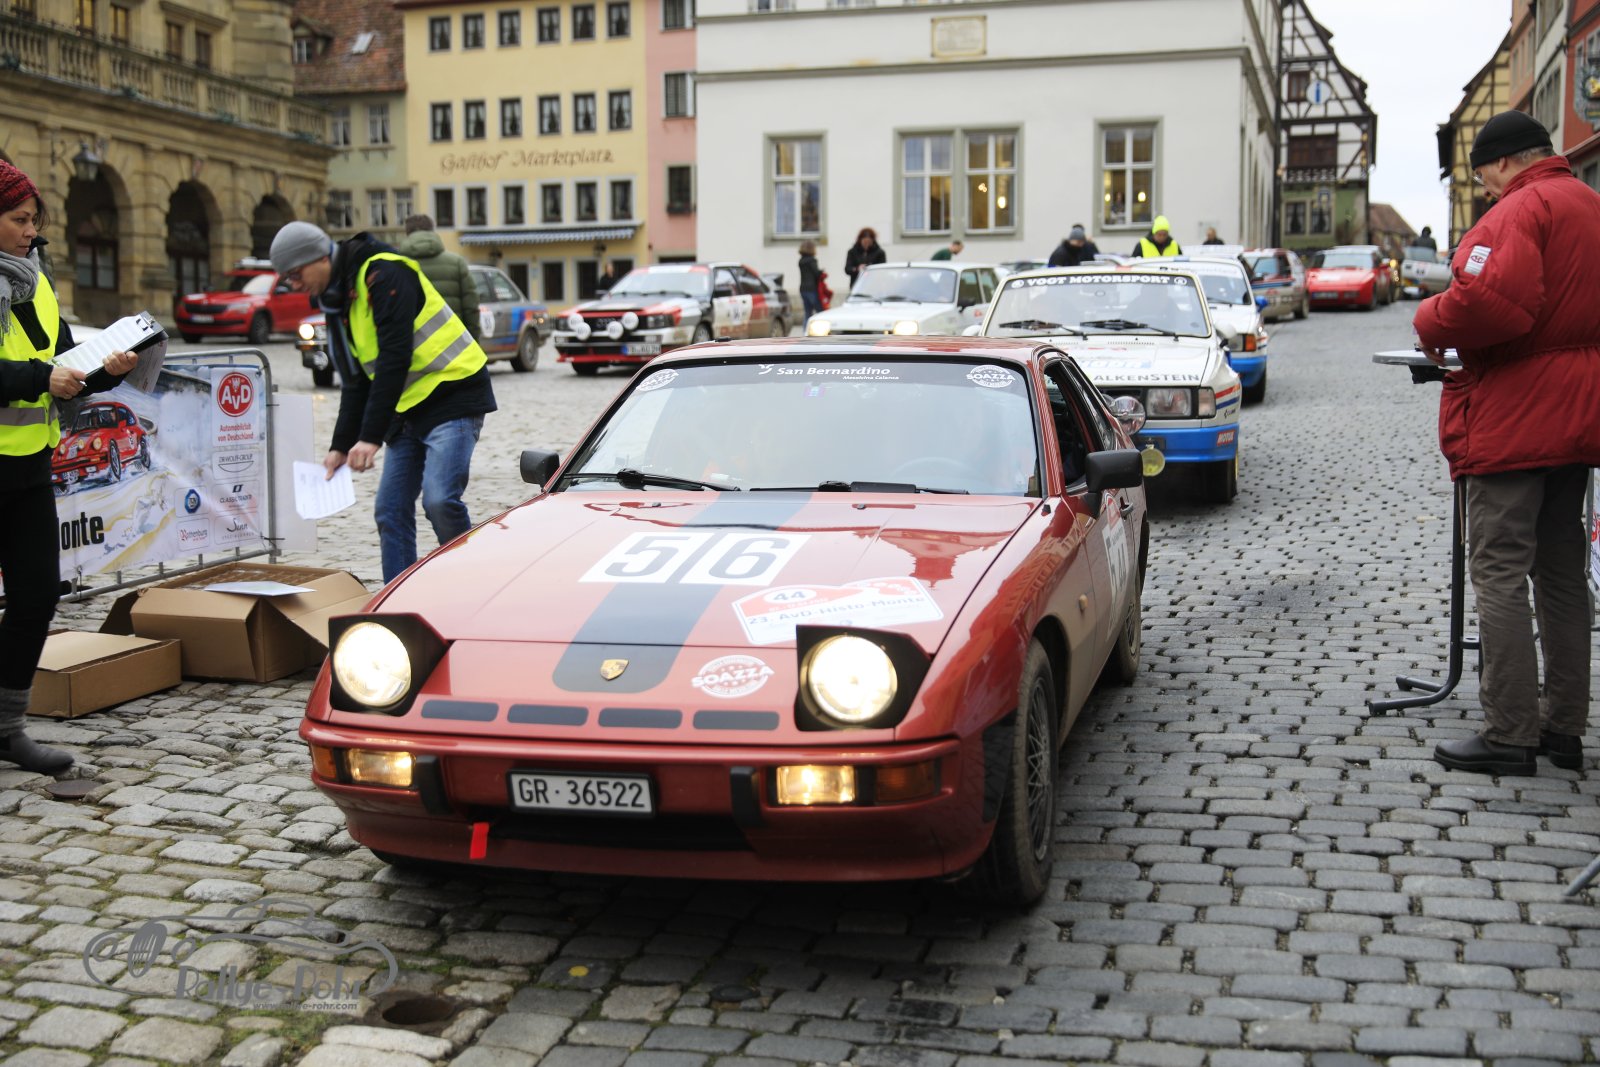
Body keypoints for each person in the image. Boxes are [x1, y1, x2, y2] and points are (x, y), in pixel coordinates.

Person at [1414, 110, 1600, 776]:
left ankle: (1510, 731)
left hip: (1518, 417)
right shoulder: (1590, 204)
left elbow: (1491, 303)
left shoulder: (1520, 210)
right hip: (1579, 416)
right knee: (1563, 571)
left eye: (1482, 177)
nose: (1485, 189)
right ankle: (1563, 727)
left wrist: (1430, 318)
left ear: (1501, 161)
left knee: (1498, 569)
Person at [0, 160, 138, 774]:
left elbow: (59, 363)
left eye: (34, 219)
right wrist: (42, 377)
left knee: (36, 597)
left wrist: (103, 369)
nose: (30, 230)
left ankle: (7, 730)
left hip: (29, 466)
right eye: (18, 219)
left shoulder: (37, 278)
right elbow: (35, 372)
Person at [272, 221, 497, 584]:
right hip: (406, 410)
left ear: (320, 257)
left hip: (452, 394)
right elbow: (357, 380)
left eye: (296, 275)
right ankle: (398, 595)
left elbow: (394, 357)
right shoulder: (340, 298)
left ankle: (473, 583)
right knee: (389, 510)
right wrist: (340, 446)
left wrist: (370, 437)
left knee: (439, 500)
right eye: (287, 279)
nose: (294, 285)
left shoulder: (385, 273)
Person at [398, 215, 480, 340]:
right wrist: (472, 339)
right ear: (432, 230)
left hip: (415, 343)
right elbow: (471, 307)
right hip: (453, 341)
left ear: (407, 233)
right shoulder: (457, 262)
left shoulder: (396, 265)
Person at [797, 240, 822, 326]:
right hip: (812, 288)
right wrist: (821, 272)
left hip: (803, 289)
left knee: (807, 312)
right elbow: (816, 273)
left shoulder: (801, 261)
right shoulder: (812, 260)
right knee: (820, 311)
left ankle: (805, 330)